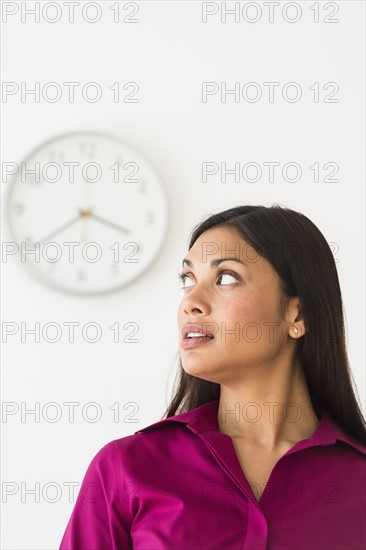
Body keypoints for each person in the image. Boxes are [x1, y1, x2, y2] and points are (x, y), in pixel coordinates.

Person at [59, 204, 366, 549]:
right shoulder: (125, 469)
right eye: (187, 280)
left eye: (225, 278)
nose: (191, 301)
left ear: (298, 313)